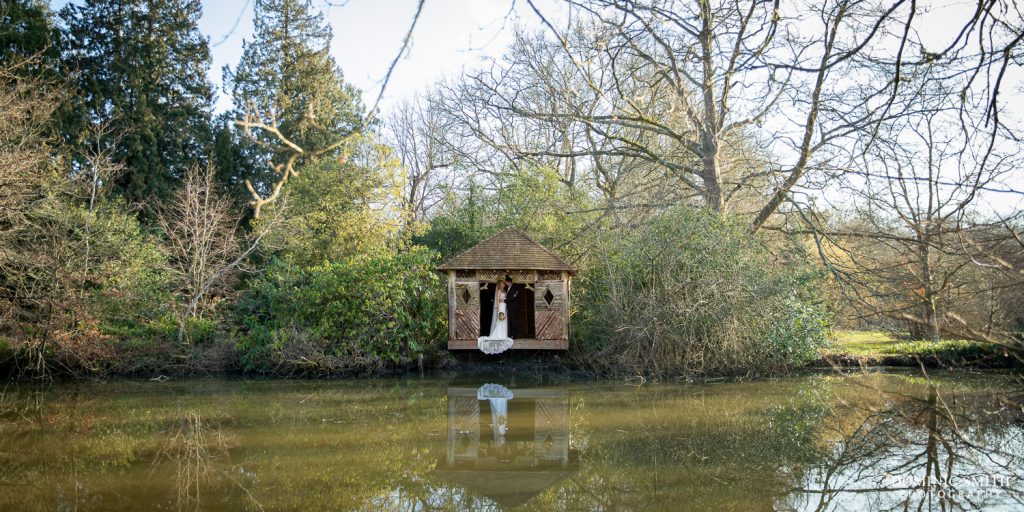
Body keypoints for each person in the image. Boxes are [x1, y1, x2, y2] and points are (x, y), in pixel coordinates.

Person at [478, 280, 513, 354]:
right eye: (502, 283)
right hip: (501, 306)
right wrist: (498, 307)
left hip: (504, 306)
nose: (503, 284)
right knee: (500, 320)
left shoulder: (504, 290)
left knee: (504, 320)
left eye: (504, 283)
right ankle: (499, 334)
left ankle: (503, 334)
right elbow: (497, 298)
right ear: (500, 284)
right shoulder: (499, 290)